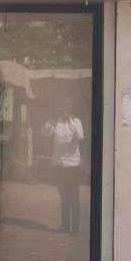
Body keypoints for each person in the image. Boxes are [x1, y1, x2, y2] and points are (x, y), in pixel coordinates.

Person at [42, 100, 84, 234]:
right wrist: (50, 122)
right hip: (59, 164)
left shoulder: (76, 121)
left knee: (74, 197)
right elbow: (44, 134)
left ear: (70, 108)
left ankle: (75, 228)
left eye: (66, 107)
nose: (63, 110)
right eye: (61, 107)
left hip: (72, 164)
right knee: (63, 196)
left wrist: (70, 121)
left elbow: (80, 136)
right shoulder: (55, 122)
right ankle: (65, 226)